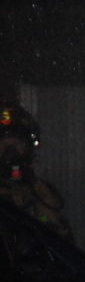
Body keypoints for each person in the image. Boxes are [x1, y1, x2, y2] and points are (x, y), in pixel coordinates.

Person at [0, 100, 73, 241]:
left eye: (17, 143)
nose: (11, 151)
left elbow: (61, 242)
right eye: (3, 143)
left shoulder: (39, 193)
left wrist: (44, 214)